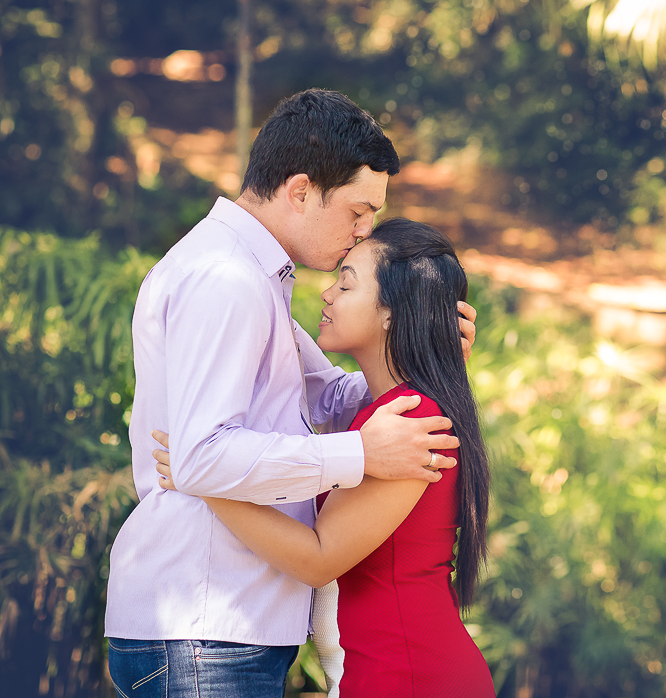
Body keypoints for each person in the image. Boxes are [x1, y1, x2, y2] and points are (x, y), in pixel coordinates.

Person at [105, 89, 476, 698]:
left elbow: (330, 399)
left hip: (223, 625)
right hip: (205, 624)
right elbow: (201, 456)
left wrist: (426, 351)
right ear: (301, 191)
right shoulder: (226, 279)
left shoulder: (250, 275)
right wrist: (361, 454)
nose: (363, 231)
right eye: (358, 211)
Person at [152, 218, 494, 697]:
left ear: (392, 313)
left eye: (346, 284)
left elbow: (318, 558)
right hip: (390, 669)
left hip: (412, 674)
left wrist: (203, 477)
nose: (328, 294)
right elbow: (326, 393)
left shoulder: (411, 421)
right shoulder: (384, 416)